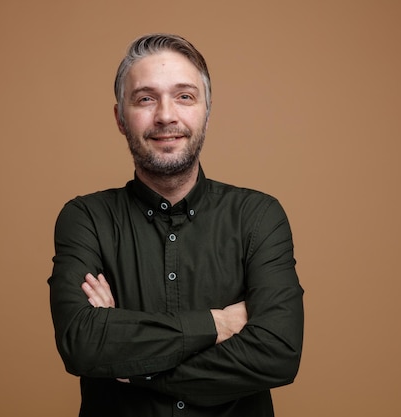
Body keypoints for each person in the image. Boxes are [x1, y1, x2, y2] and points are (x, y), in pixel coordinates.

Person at [48, 33, 304, 417]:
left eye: (184, 96)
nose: (166, 115)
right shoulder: (86, 219)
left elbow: (278, 353)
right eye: (146, 98)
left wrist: (136, 369)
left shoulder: (258, 216)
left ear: (206, 110)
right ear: (120, 118)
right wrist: (217, 324)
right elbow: (84, 345)